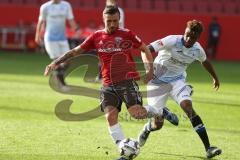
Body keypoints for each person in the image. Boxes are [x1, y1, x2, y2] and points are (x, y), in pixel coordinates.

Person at [44, 6, 178, 160]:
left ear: (119, 20)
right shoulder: (96, 36)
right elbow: (75, 51)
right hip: (108, 84)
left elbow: (144, 49)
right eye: (109, 21)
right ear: (104, 20)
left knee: (136, 113)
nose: (112, 24)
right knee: (110, 117)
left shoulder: (127, 34)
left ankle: (160, 111)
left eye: (115, 21)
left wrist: (149, 70)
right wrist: (56, 62)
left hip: (127, 81)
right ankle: (124, 151)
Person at [138, 20, 222, 159]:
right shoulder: (171, 40)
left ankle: (208, 148)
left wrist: (215, 77)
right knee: (158, 124)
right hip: (157, 82)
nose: (188, 39)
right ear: (185, 31)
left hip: (177, 81)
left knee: (188, 107)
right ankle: (148, 128)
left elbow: (205, 61)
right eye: (187, 35)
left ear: (197, 38)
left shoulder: (197, 49)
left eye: (193, 37)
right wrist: (148, 69)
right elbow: (145, 49)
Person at [35, 0, 77, 84]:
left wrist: (75, 29)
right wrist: (37, 35)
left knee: (68, 60)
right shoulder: (45, 7)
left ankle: (57, 74)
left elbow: (71, 19)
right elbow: (41, 21)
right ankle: (61, 82)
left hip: (62, 38)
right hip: (50, 38)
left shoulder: (66, 5)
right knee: (57, 60)